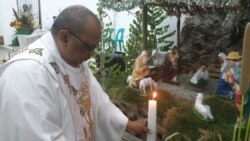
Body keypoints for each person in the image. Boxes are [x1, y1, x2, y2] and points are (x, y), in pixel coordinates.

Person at [0, 5, 149, 141]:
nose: (92, 54)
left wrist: (129, 124)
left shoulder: (74, 61)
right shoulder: (27, 75)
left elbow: (99, 101)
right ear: (64, 37)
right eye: (89, 47)